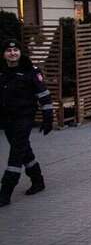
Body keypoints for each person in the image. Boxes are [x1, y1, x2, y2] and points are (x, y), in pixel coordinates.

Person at [0, 40, 53, 207]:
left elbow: (44, 95)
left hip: (24, 117)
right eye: (9, 50)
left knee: (16, 152)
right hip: (7, 119)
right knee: (24, 150)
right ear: (4, 54)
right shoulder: (1, 71)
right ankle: (37, 180)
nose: (13, 53)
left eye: (16, 50)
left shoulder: (31, 71)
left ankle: (5, 193)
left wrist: (48, 118)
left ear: (20, 52)